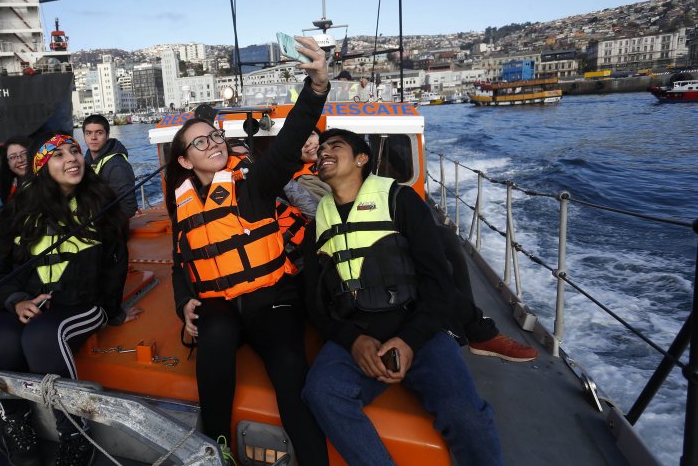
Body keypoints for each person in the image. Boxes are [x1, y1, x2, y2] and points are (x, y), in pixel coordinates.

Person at [166, 36, 330, 465]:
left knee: (291, 374)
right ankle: (216, 448)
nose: (214, 143)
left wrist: (316, 88)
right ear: (184, 161)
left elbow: (289, 140)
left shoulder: (252, 187)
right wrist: (184, 303)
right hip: (221, 306)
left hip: (272, 301)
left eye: (215, 136)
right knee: (213, 337)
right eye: (200, 142)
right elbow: (181, 262)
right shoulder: (182, 203)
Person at [301, 128, 505, 466]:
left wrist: (409, 340)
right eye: (320, 148)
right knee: (321, 393)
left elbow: (438, 281)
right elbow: (316, 304)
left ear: (361, 159)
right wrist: (353, 341)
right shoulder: (317, 226)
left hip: (417, 327)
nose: (323, 151)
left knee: (465, 413)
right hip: (358, 333)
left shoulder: (400, 200)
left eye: (335, 146)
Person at [0, 133, 140, 466]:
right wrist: (14, 300)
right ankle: (16, 423)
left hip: (81, 303)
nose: (71, 158)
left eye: (75, 151)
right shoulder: (18, 209)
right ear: (41, 168)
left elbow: (114, 262)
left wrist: (113, 311)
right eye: (58, 155)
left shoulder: (101, 204)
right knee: (0, 341)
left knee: (42, 337)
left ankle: (73, 432)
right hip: (27, 299)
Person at [82, 114, 138, 218]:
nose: (93, 137)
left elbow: (129, 208)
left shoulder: (117, 166)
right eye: (88, 133)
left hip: (108, 227)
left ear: (107, 135)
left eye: (99, 133)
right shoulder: (86, 160)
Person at [0, 136, 30, 202]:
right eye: (13, 157)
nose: (20, 160)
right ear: (8, 164)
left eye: (24, 153)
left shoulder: (48, 183)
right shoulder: (9, 188)